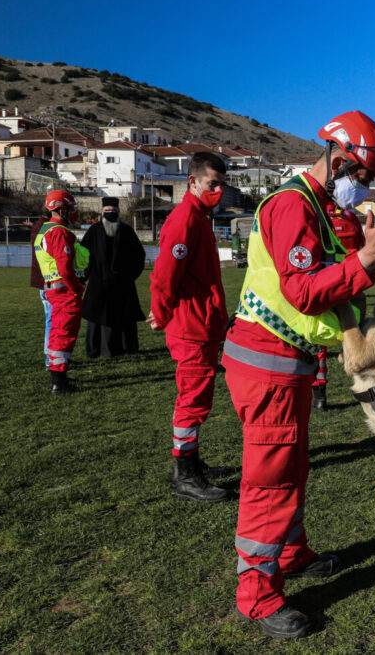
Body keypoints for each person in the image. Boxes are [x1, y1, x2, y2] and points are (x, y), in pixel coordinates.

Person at [221, 111, 375, 638]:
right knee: (270, 479)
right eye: (360, 176)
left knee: (293, 465)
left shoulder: (322, 209)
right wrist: (366, 259)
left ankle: (292, 553)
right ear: (336, 158)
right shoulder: (291, 205)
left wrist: (374, 252)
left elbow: (336, 270)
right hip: (268, 362)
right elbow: (302, 290)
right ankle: (257, 595)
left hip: (288, 361)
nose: (362, 187)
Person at [148, 152, 231, 504]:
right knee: (192, 399)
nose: (218, 190)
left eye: (221, 184)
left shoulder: (199, 217)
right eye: (212, 183)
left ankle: (191, 461)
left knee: (199, 396)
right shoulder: (185, 219)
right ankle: (185, 473)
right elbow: (164, 276)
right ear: (192, 181)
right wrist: (161, 313)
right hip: (190, 325)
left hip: (203, 321)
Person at [310, 167, 367, 412]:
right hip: (351, 285)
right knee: (355, 335)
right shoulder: (351, 219)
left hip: (324, 283)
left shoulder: (316, 215)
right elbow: (363, 251)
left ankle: (319, 395)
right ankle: (365, 386)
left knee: (318, 343)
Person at [33, 189, 89, 394]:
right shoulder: (59, 232)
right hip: (64, 291)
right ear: (61, 210)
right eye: (71, 209)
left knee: (58, 332)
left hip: (54, 290)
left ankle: (58, 377)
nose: (74, 213)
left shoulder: (45, 231)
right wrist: (76, 289)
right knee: (64, 334)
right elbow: (65, 267)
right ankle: (59, 381)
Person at [81, 197, 146, 357]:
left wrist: (130, 276)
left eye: (113, 211)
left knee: (124, 317)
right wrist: (86, 276)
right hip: (98, 283)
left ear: (118, 212)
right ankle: (96, 350)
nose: (110, 213)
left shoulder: (127, 231)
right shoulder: (93, 231)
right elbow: (83, 256)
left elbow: (138, 256)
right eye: (106, 211)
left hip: (123, 283)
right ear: (102, 212)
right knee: (98, 317)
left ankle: (126, 348)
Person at [30, 208, 52, 368]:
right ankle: (50, 357)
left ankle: (51, 356)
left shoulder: (37, 226)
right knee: (52, 321)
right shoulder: (47, 228)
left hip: (41, 280)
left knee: (50, 319)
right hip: (48, 280)